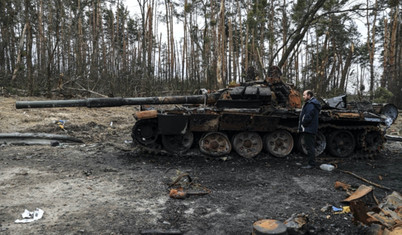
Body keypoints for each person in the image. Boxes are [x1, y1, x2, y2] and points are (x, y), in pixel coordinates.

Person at [298, 90, 321, 169]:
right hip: (310, 128)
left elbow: (308, 116)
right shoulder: (311, 103)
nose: (303, 97)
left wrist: (304, 124)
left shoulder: (311, 104)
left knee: (310, 146)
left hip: (309, 128)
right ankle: (311, 163)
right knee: (309, 146)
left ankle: (311, 164)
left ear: (309, 95)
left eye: (304, 95)